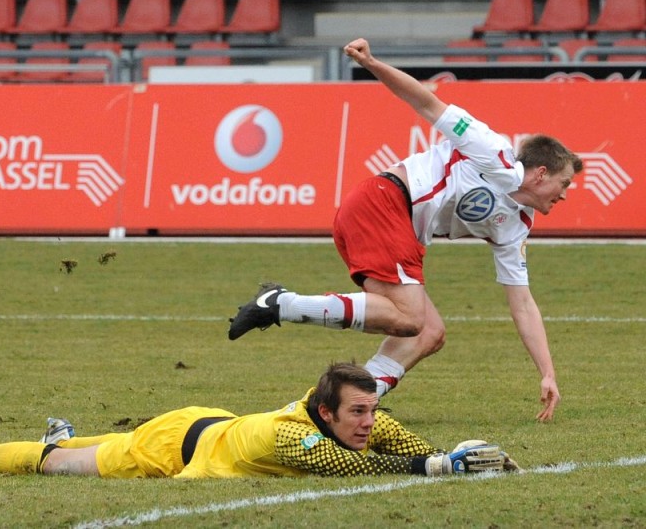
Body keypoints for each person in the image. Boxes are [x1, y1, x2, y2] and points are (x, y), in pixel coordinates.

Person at [228, 37, 584, 423]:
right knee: (411, 319)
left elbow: (523, 304)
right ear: (542, 173)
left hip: (394, 226)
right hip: (383, 202)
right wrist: (372, 62)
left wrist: (547, 371)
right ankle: (282, 304)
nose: (565, 196)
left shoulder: (516, 225)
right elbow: (426, 102)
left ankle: (353, 406)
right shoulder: (492, 151)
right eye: (564, 184)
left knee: (429, 333)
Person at [0, 362, 517, 479]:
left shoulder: (336, 408)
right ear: (327, 411)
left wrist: (447, 454)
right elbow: (338, 462)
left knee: (76, 447)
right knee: (53, 466)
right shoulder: (294, 436)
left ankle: (63, 434)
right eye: (358, 411)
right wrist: (432, 466)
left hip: (205, 422)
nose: (368, 420)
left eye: (369, 409)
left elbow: (395, 439)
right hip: (170, 451)